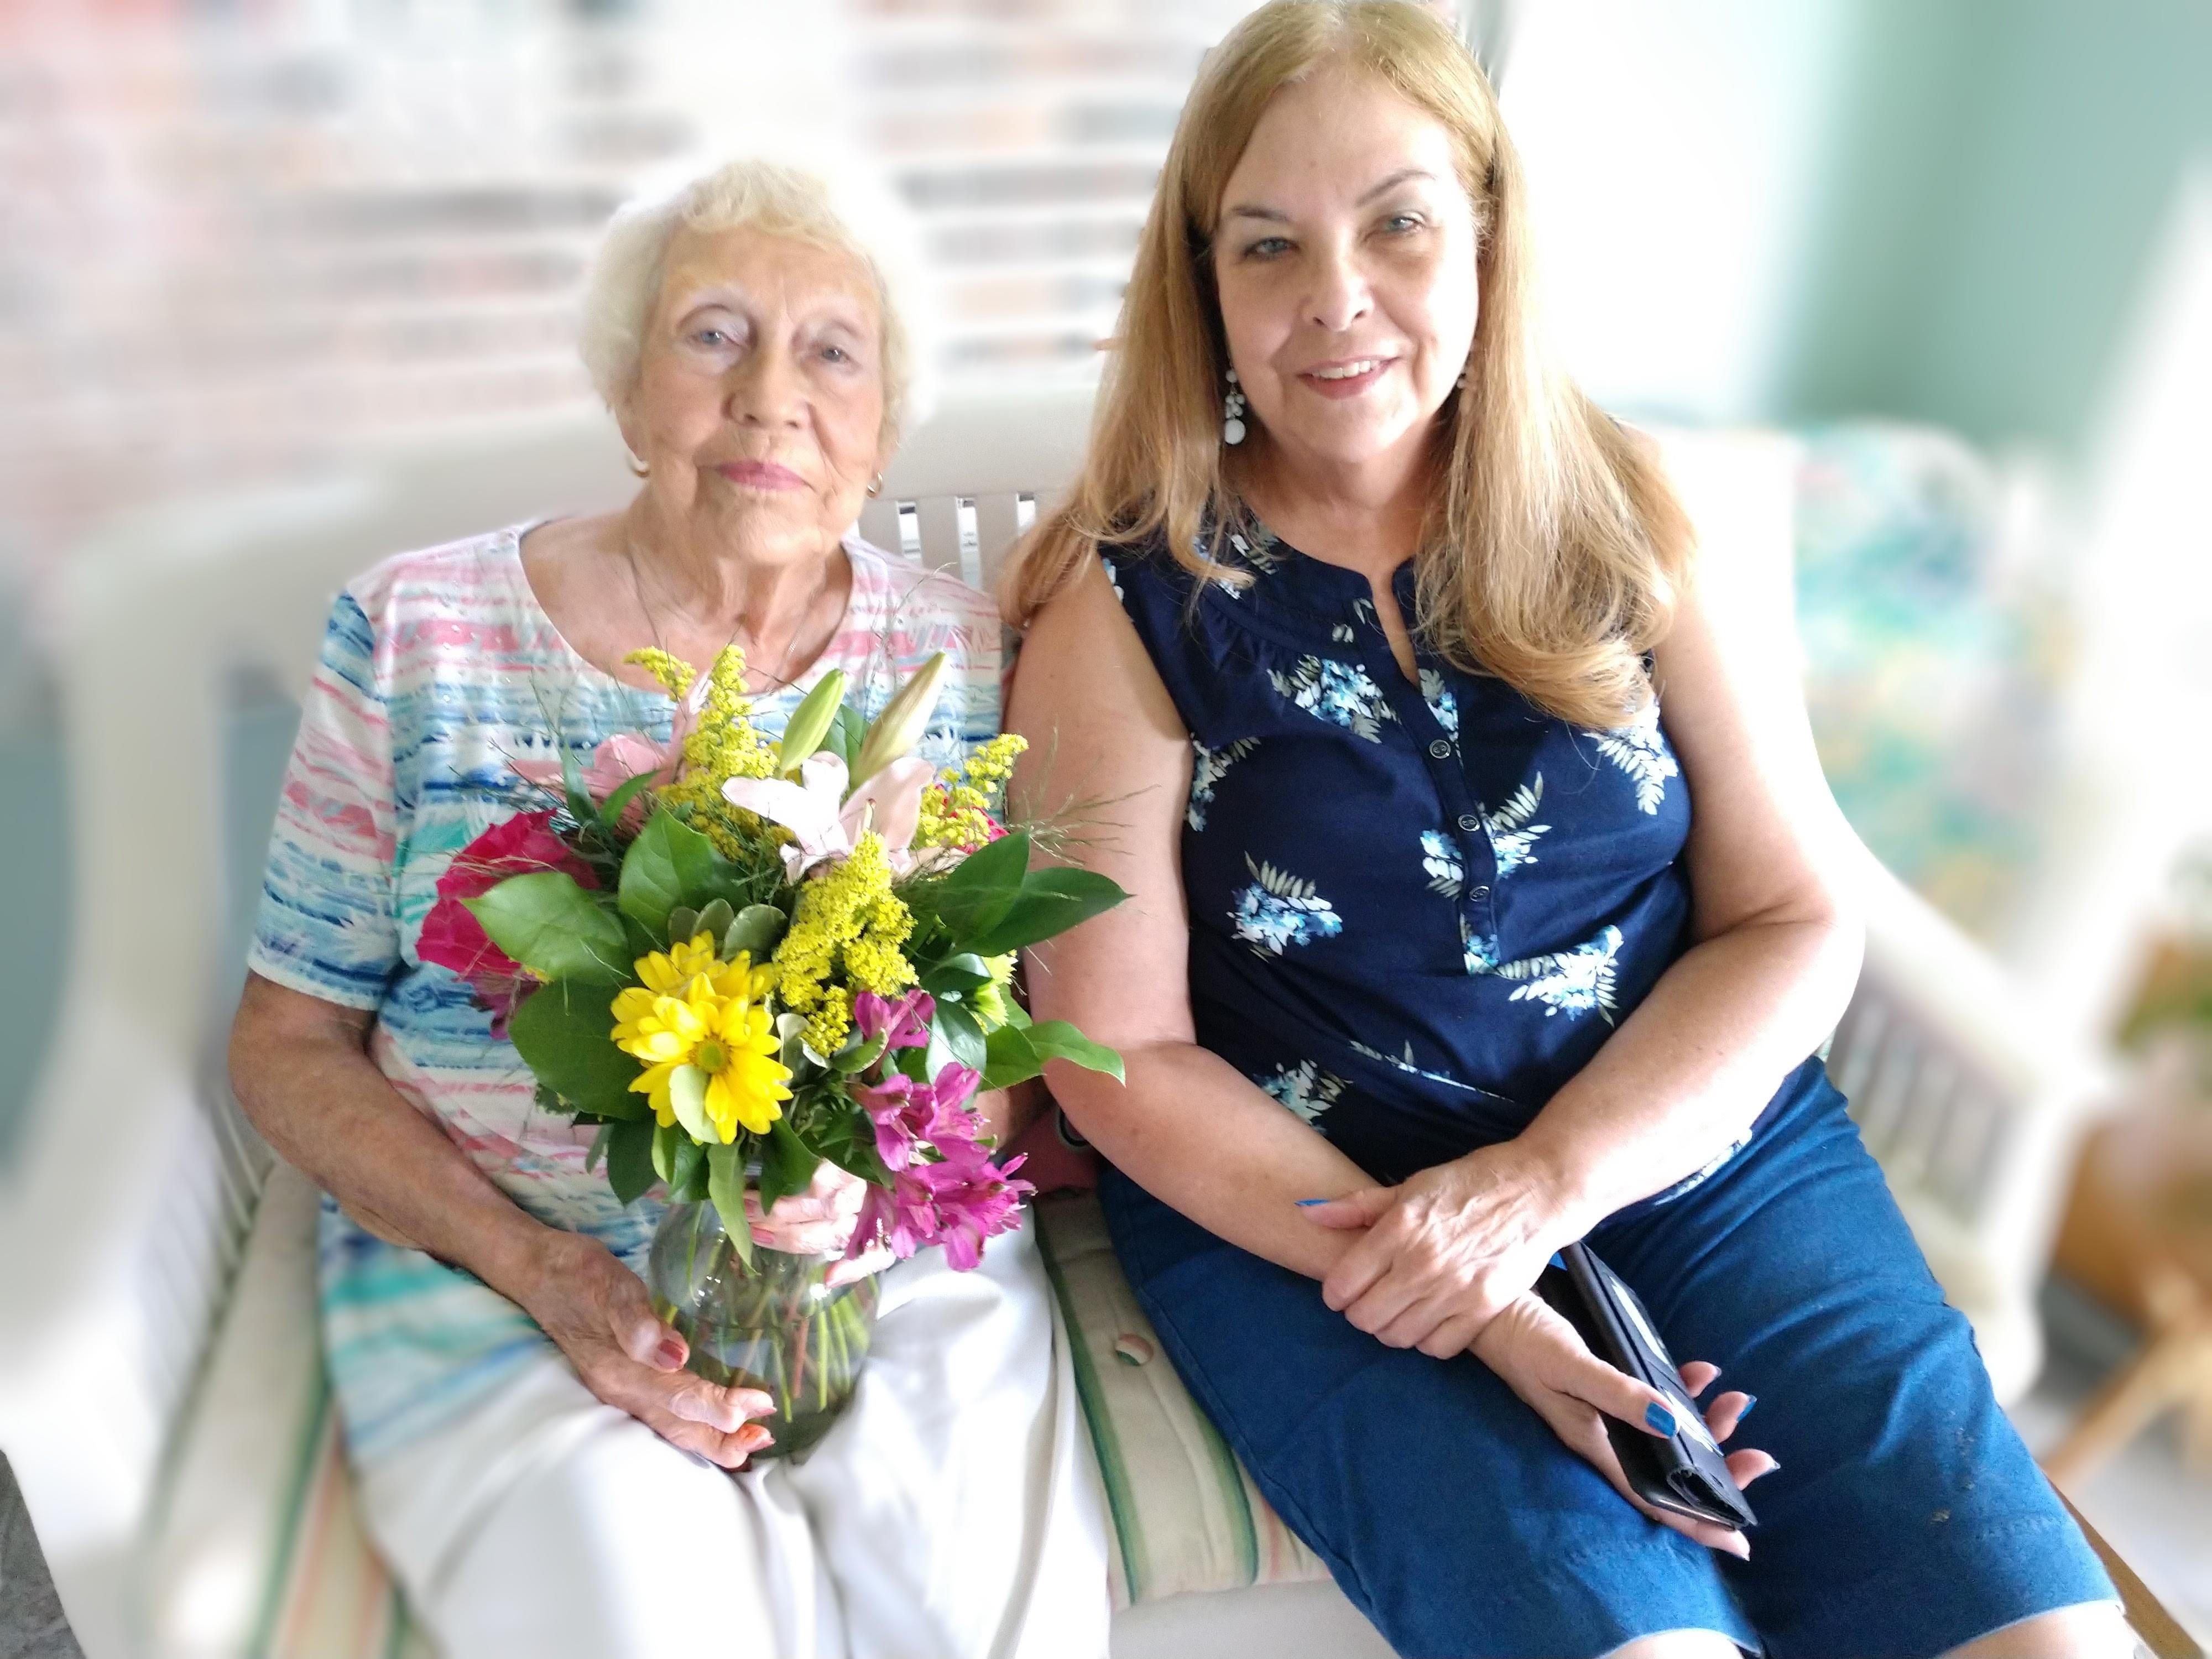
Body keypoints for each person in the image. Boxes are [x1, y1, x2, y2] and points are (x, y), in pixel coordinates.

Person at [1003, 5, 2126, 1656]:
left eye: (1396, 223)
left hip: (1695, 1144)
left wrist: (1545, 1186)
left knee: (2034, 1636)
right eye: (1268, 246)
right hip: (1311, 1210)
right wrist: (1480, 1297)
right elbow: (1114, 1059)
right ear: (1204, 286)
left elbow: (1796, 915)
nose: (1335, 299)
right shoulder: (1125, 595)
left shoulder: (1635, 514)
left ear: (1487, 237)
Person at [228, 156, 1108, 1659]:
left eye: (833, 352)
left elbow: (1018, 1040)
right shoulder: (414, 630)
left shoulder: (967, 658)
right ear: (630, 394)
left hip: (872, 1275)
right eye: (713, 335)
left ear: (881, 428)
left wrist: (877, 1182)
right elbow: (285, 1044)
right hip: (492, 1273)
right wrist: (545, 1269)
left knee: (985, 1626)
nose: (772, 397)